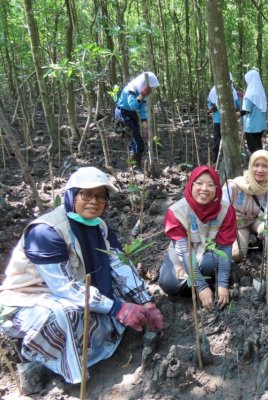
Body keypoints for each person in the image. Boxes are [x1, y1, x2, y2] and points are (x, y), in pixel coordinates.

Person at [0, 167, 163, 386]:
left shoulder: (100, 227)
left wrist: (147, 302)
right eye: (86, 194)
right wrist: (118, 308)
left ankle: (99, 347)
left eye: (100, 196)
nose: (94, 201)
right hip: (31, 298)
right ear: (71, 195)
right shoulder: (46, 232)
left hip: (77, 289)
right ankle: (38, 358)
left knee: (123, 294)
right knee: (66, 313)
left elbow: (119, 265)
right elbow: (64, 288)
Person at [158, 166, 237, 311]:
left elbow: (225, 247)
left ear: (217, 188)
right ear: (191, 184)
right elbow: (184, 251)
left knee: (208, 264)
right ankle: (203, 286)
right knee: (167, 282)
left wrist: (223, 284)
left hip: (209, 254)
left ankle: (215, 282)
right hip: (183, 256)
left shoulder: (226, 210)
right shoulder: (176, 211)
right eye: (199, 183)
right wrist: (201, 286)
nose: (204, 188)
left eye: (210, 184)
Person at [223, 150, 268, 261]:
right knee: (236, 255)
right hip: (238, 223)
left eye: (265, 166)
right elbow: (222, 210)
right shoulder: (234, 185)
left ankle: (267, 250)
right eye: (256, 165)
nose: (260, 170)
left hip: (257, 220)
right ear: (250, 166)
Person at [115, 72, 160, 168]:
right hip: (122, 113)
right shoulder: (130, 89)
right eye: (150, 87)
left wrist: (145, 126)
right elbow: (133, 106)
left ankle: (135, 166)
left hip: (131, 114)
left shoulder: (142, 93)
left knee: (137, 140)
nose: (151, 90)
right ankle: (133, 167)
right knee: (136, 141)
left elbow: (143, 109)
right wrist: (142, 94)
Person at [207, 73, 242, 163]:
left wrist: (213, 107)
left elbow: (209, 104)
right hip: (228, 119)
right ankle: (230, 158)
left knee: (217, 139)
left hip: (218, 119)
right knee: (229, 137)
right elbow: (237, 104)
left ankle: (215, 159)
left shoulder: (214, 89)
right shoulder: (232, 90)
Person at [241, 70, 267, 154]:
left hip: (251, 127)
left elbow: (245, 111)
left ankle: (256, 164)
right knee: (258, 146)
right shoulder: (261, 93)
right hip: (260, 126)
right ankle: (262, 164)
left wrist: (234, 115)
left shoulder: (250, 95)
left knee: (253, 149)